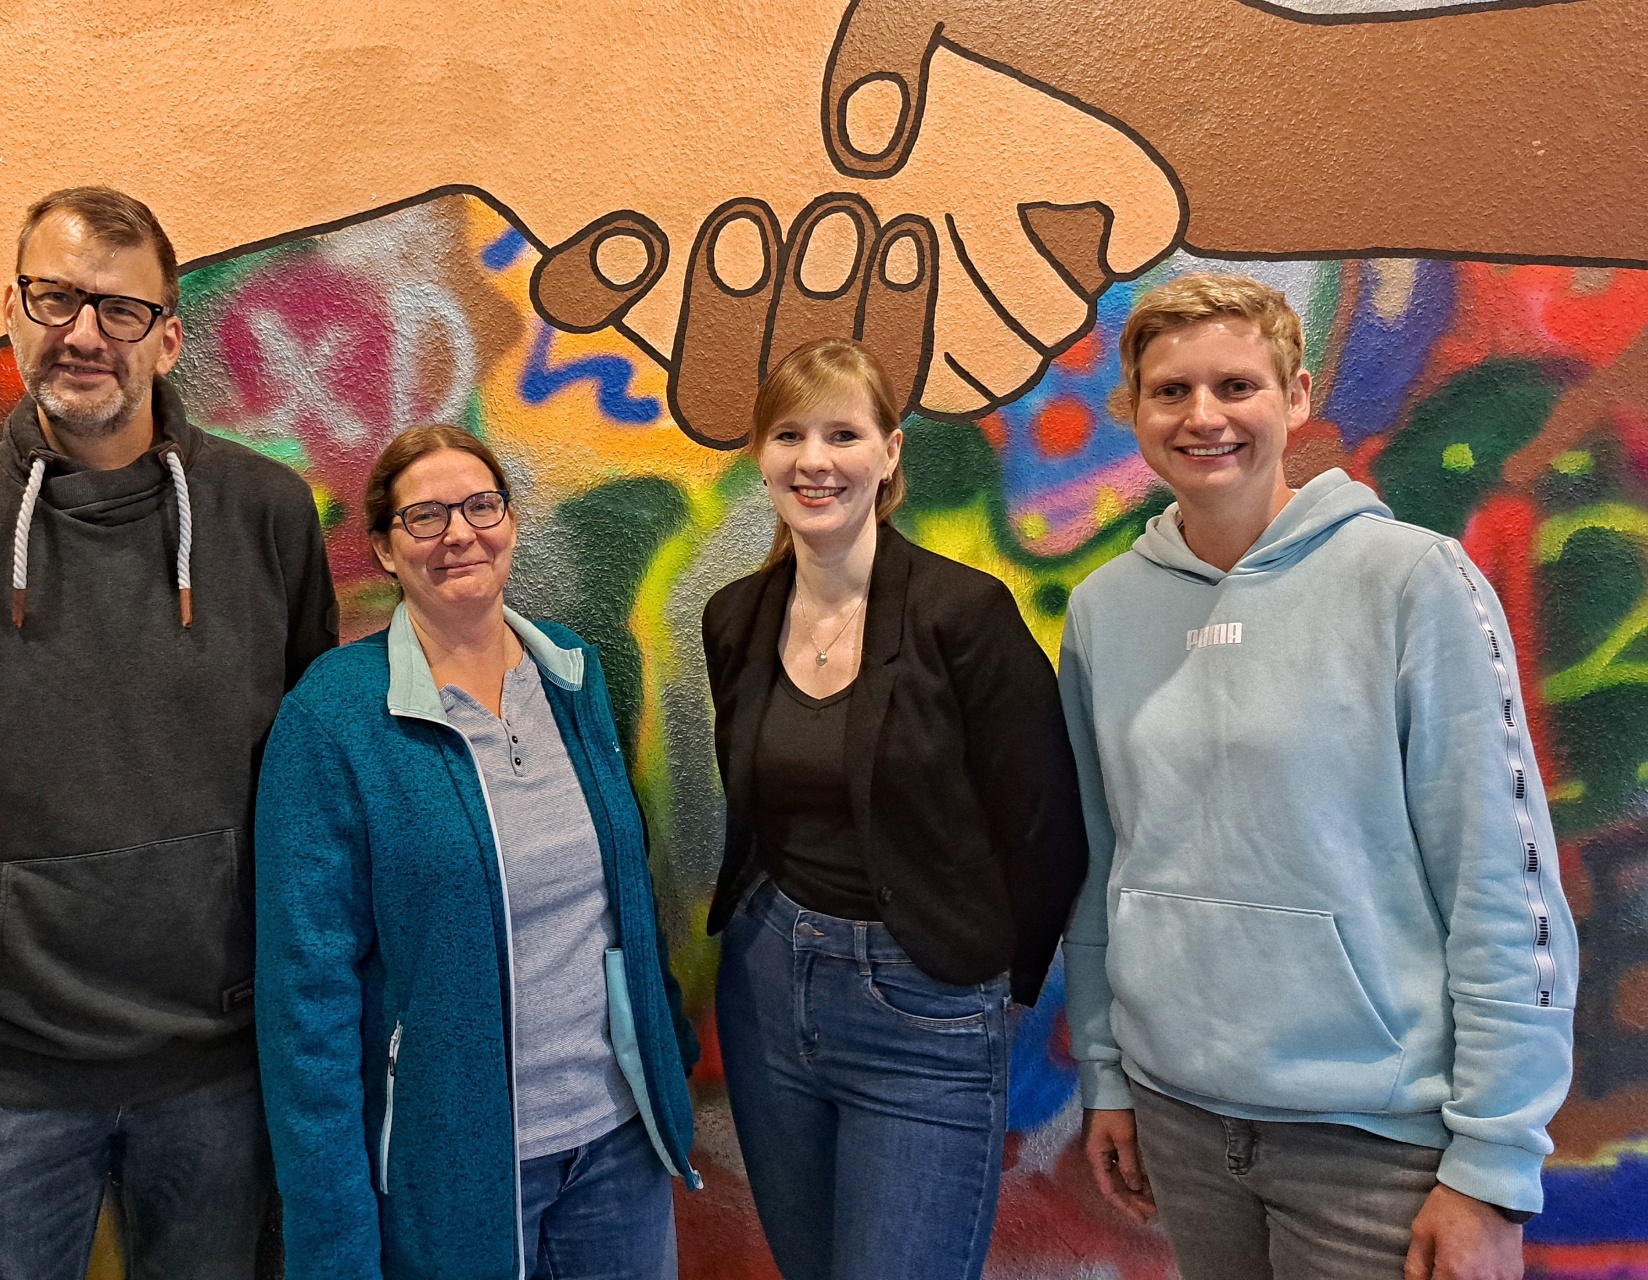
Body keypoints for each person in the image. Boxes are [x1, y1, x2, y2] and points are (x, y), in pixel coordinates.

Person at [0, 186, 337, 1278]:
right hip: (1, 1079)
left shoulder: (267, 517)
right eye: (56, 298)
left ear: (169, 335)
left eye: (120, 308)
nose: (85, 334)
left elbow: (306, 764)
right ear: (11, 309)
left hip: (222, 1070)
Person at [1060, 273, 1578, 1280]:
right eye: (1170, 391)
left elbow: (1504, 885)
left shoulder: (1413, 580)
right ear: (1134, 410)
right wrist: (1109, 1072)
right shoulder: (1105, 607)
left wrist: (1493, 1164)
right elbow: (1105, 859)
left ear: (1295, 398)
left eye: (1236, 385)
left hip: (1375, 1142)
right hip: (1182, 1123)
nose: (1203, 415)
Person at [254, 424, 699, 1280]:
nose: (459, 533)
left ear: (510, 522)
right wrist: (335, 1250)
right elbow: (305, 1009)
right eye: (423, 517)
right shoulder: (335, 718)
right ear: (384, 550)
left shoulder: (572, 671)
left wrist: (666, 1077)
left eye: (479, 505)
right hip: (457, 1173)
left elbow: (623, 898)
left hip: (617, 1145)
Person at [700, 337, 1090, 1280]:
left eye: (843, 433)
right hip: (765, 991)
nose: (815, 459)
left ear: (891, 453)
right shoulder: (736, 618)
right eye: (788, 435)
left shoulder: (964, 614)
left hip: (923, 1008)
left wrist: (980, 977)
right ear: (762, 457)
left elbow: (1047, 824)